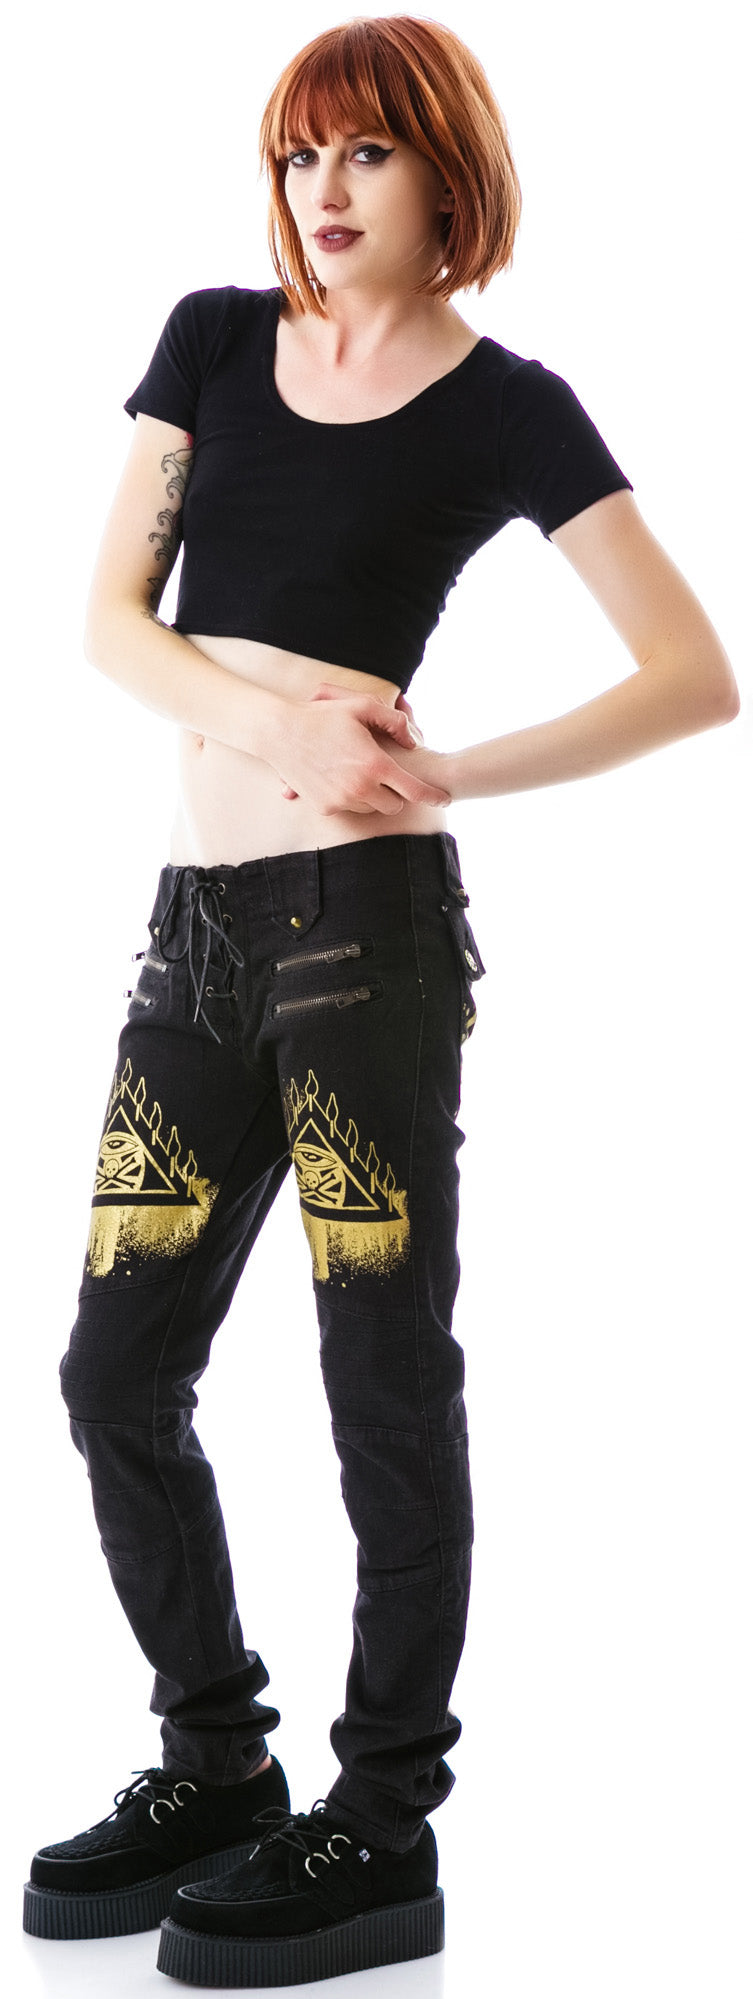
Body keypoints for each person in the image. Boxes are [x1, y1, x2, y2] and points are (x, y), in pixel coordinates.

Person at [23, 13, 738, 1988]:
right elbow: (105, 628)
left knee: (379, 1382)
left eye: (361, 154)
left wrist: (449, 772)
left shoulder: (508, 408)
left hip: (365, 947)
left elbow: (693, 675)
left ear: (445, 174)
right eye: (296, 155)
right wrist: (275, 720)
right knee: (111, 1372)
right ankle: (216, 1766)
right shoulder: (205, 343)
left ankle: (380, 1824)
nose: (319, 192)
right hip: (196, 938)